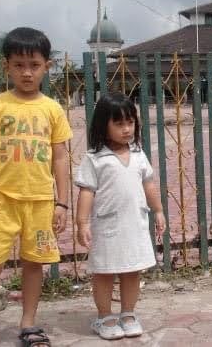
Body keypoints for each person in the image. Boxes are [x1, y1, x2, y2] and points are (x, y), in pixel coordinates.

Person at [0, 27, 73, 347]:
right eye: (19, 65)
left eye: (34, 65)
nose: (27, 72)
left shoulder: (52, 109)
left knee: (34, 263)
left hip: (40, 201)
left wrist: (62, 203)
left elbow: (62, 159)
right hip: (1, 199)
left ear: (46, 67)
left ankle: (28, 324)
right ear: (6, 66)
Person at [75, 92, 166, 340]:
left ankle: (128, 314)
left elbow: (149, 184)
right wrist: (82, 223)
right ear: (103, 126)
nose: (126, 129)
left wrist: (158, 210)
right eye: (119, 123)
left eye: (130, 122)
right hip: (106, 227)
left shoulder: (138, 154)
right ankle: (105, 317)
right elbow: (86, 192)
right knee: (103, 273)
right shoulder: (95, 159)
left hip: (134, 225)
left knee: (132, 271)